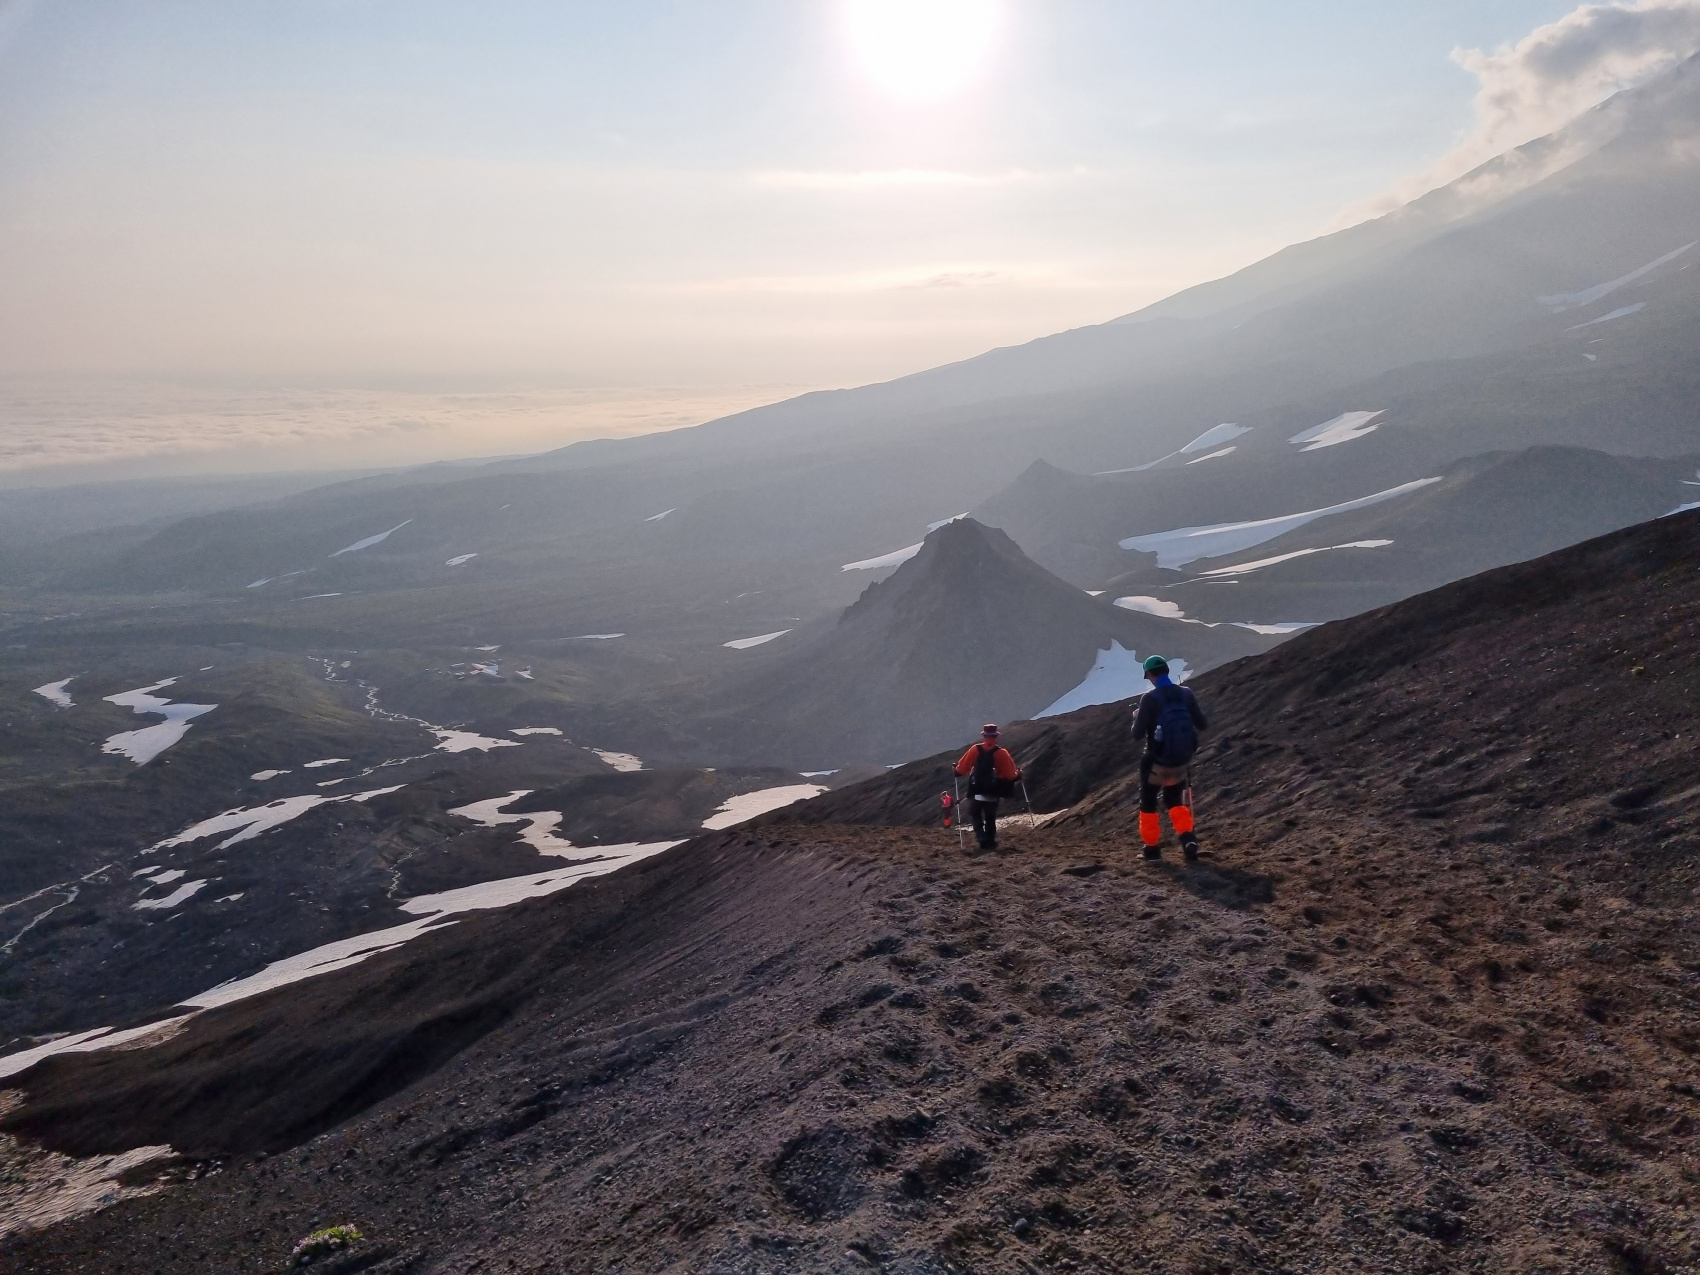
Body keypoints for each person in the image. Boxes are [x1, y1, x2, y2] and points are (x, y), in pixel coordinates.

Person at [1131, 656, 1208, 861]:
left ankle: (1152, 849)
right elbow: (1202, 724)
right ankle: (1188, 839)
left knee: (1148, 803)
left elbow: (1137, 734)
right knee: (1174, 800)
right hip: (1181, 760)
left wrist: (1138, 717)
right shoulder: (1186, 693)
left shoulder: (1149, 699)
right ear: (1166, 670)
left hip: (1156, 762)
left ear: (1149, 675)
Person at [954, 724, 1021, 850]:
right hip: (993, 790)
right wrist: (1019, 775)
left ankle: (981, 838)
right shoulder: (1001, 753)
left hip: (976, 789)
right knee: (990, 817)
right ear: (996, 736)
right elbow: (1011, 775)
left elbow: (962, 769)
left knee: (975, 814)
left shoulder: (975, 749)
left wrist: (956, 771)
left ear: (983, 735)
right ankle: (990, 841)